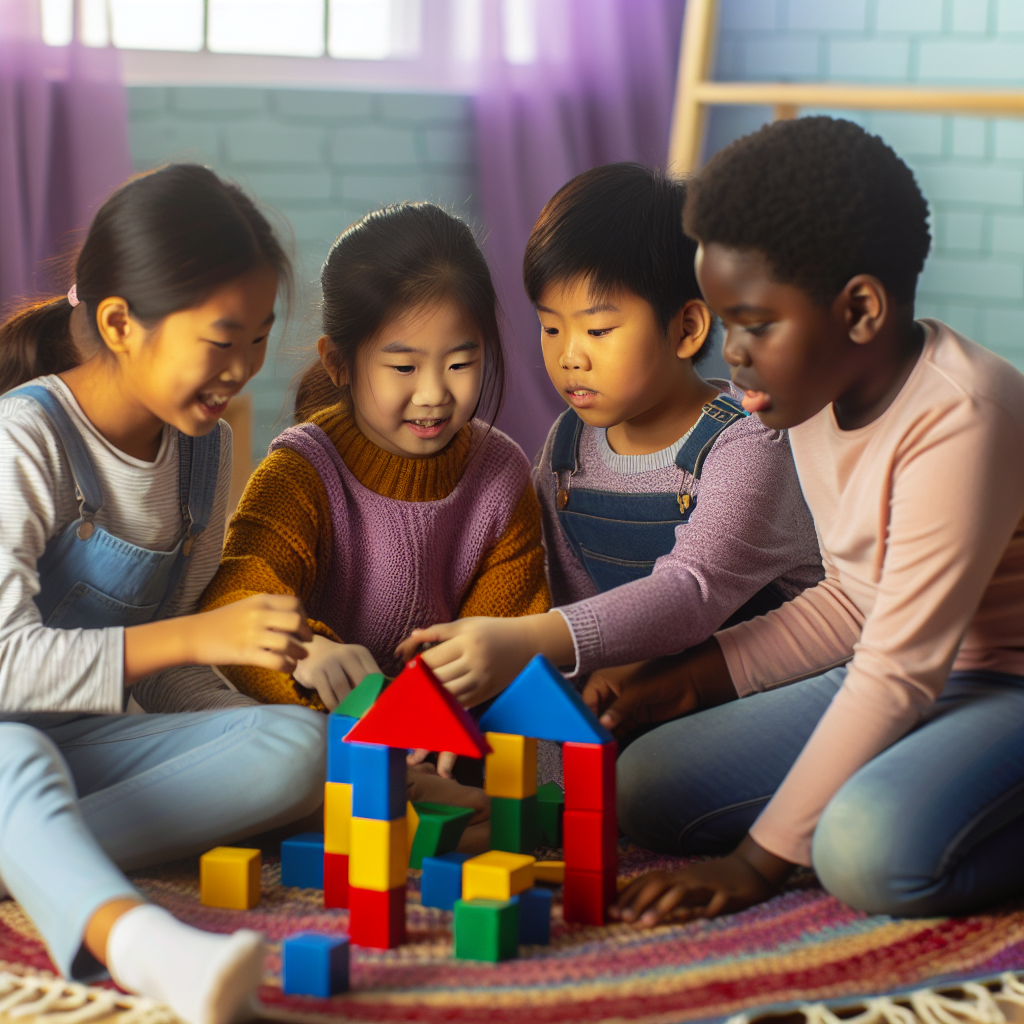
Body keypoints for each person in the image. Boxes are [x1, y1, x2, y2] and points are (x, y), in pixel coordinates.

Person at [601, 117, 1024, 925]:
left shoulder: (967, 413)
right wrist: (693, 676)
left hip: (1006, 683)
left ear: (858, 309)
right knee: (643, 786)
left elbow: (900, 666)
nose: (733, 351)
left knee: (862, 854)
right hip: (914, 677)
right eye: (725, 322)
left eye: (755, 323)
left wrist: (757, 865)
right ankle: (915, 782)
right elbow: (854, 600)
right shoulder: (810, 397)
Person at [0, 164, 326, 1024]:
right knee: (16, 761)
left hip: (89, 748)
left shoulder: (203, 452)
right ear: (120, 322)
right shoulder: (26, 439)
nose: (243, 369)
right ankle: (145, 948)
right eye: (221, 339)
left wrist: (225, 688)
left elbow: (170, 662)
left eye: (258, 338)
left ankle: (37, 850)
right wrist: (196, 639)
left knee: (299, 745)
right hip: (7, 743)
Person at [397, 164, 821, 714]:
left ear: (686, 329)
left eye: (598, 329)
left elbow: (689, 594)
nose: (570, 354)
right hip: (647, 681)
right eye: (551, 327)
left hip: (771, 685)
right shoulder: (569, 444)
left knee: (642, 784)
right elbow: (570, 589)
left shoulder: (747, 444)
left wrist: (531, 640)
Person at [201, 202, 550, 734]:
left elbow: (514, 631)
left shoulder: (500, 472)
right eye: (404, 367)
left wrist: (464, 694)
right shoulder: (300, 472)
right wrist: (304, 653)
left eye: (461, 363)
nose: (434, 394)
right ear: (338, 363)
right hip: (323, 729)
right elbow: (237, 591)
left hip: (452, 740)